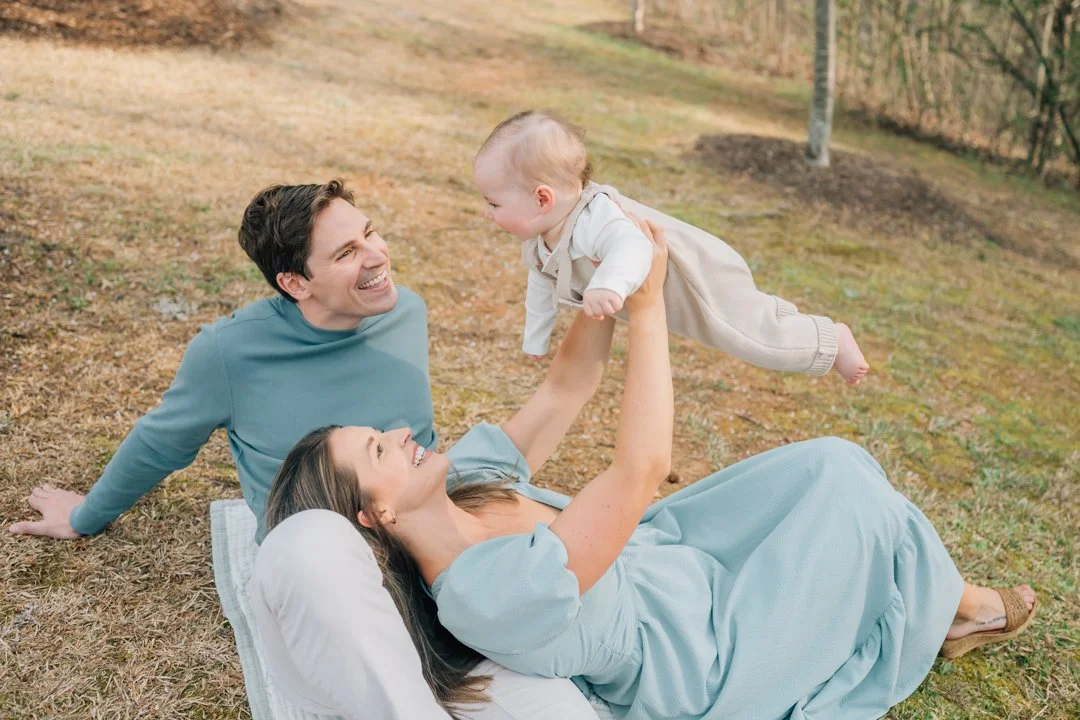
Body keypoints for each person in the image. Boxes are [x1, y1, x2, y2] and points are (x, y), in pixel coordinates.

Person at [262, 218, 1036, 719]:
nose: (401, 433)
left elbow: (566, 388)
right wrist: (648, 308)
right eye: (379, 450)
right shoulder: (483, 596)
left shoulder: (461, 479)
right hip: (707, 654)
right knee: (861, 506)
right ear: (377, 515)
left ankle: (951, 605)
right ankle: (958, 607)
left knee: (836, 464)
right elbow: (641, 468)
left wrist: (599, 281)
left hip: (675, 553)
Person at [10, 180, 598, 720]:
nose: (376, 256)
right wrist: (87, 515)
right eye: (345, 253)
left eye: (369, 233)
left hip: (432, 549)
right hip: (337, 569)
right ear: (295, 283)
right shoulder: (229, 353)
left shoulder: (403, 311)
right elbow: (161, 443)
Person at [473, 109, 870, 384]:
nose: (487, 213)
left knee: (753, 340)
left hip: (698, 281)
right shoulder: (541, 241)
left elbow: (632, 247)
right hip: (675, 299)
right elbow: (540, 289)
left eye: (494, 204)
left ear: (542, 199)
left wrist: (608, 284)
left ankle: (831, 341)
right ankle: (786, 318)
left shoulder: (595, 216)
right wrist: (535, 339)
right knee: (755, 314)